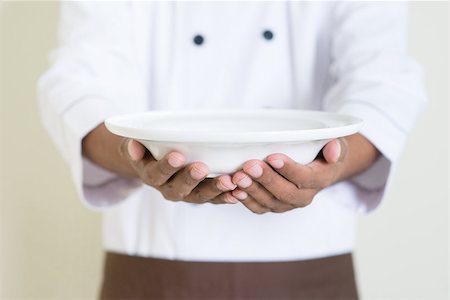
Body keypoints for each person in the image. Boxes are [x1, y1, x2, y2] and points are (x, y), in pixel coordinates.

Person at [38, 2, 426, 299]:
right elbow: (78, 81)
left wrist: (333, 164)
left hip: (310, 268)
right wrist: (134, 154)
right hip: (154, 267)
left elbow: (382, 80)